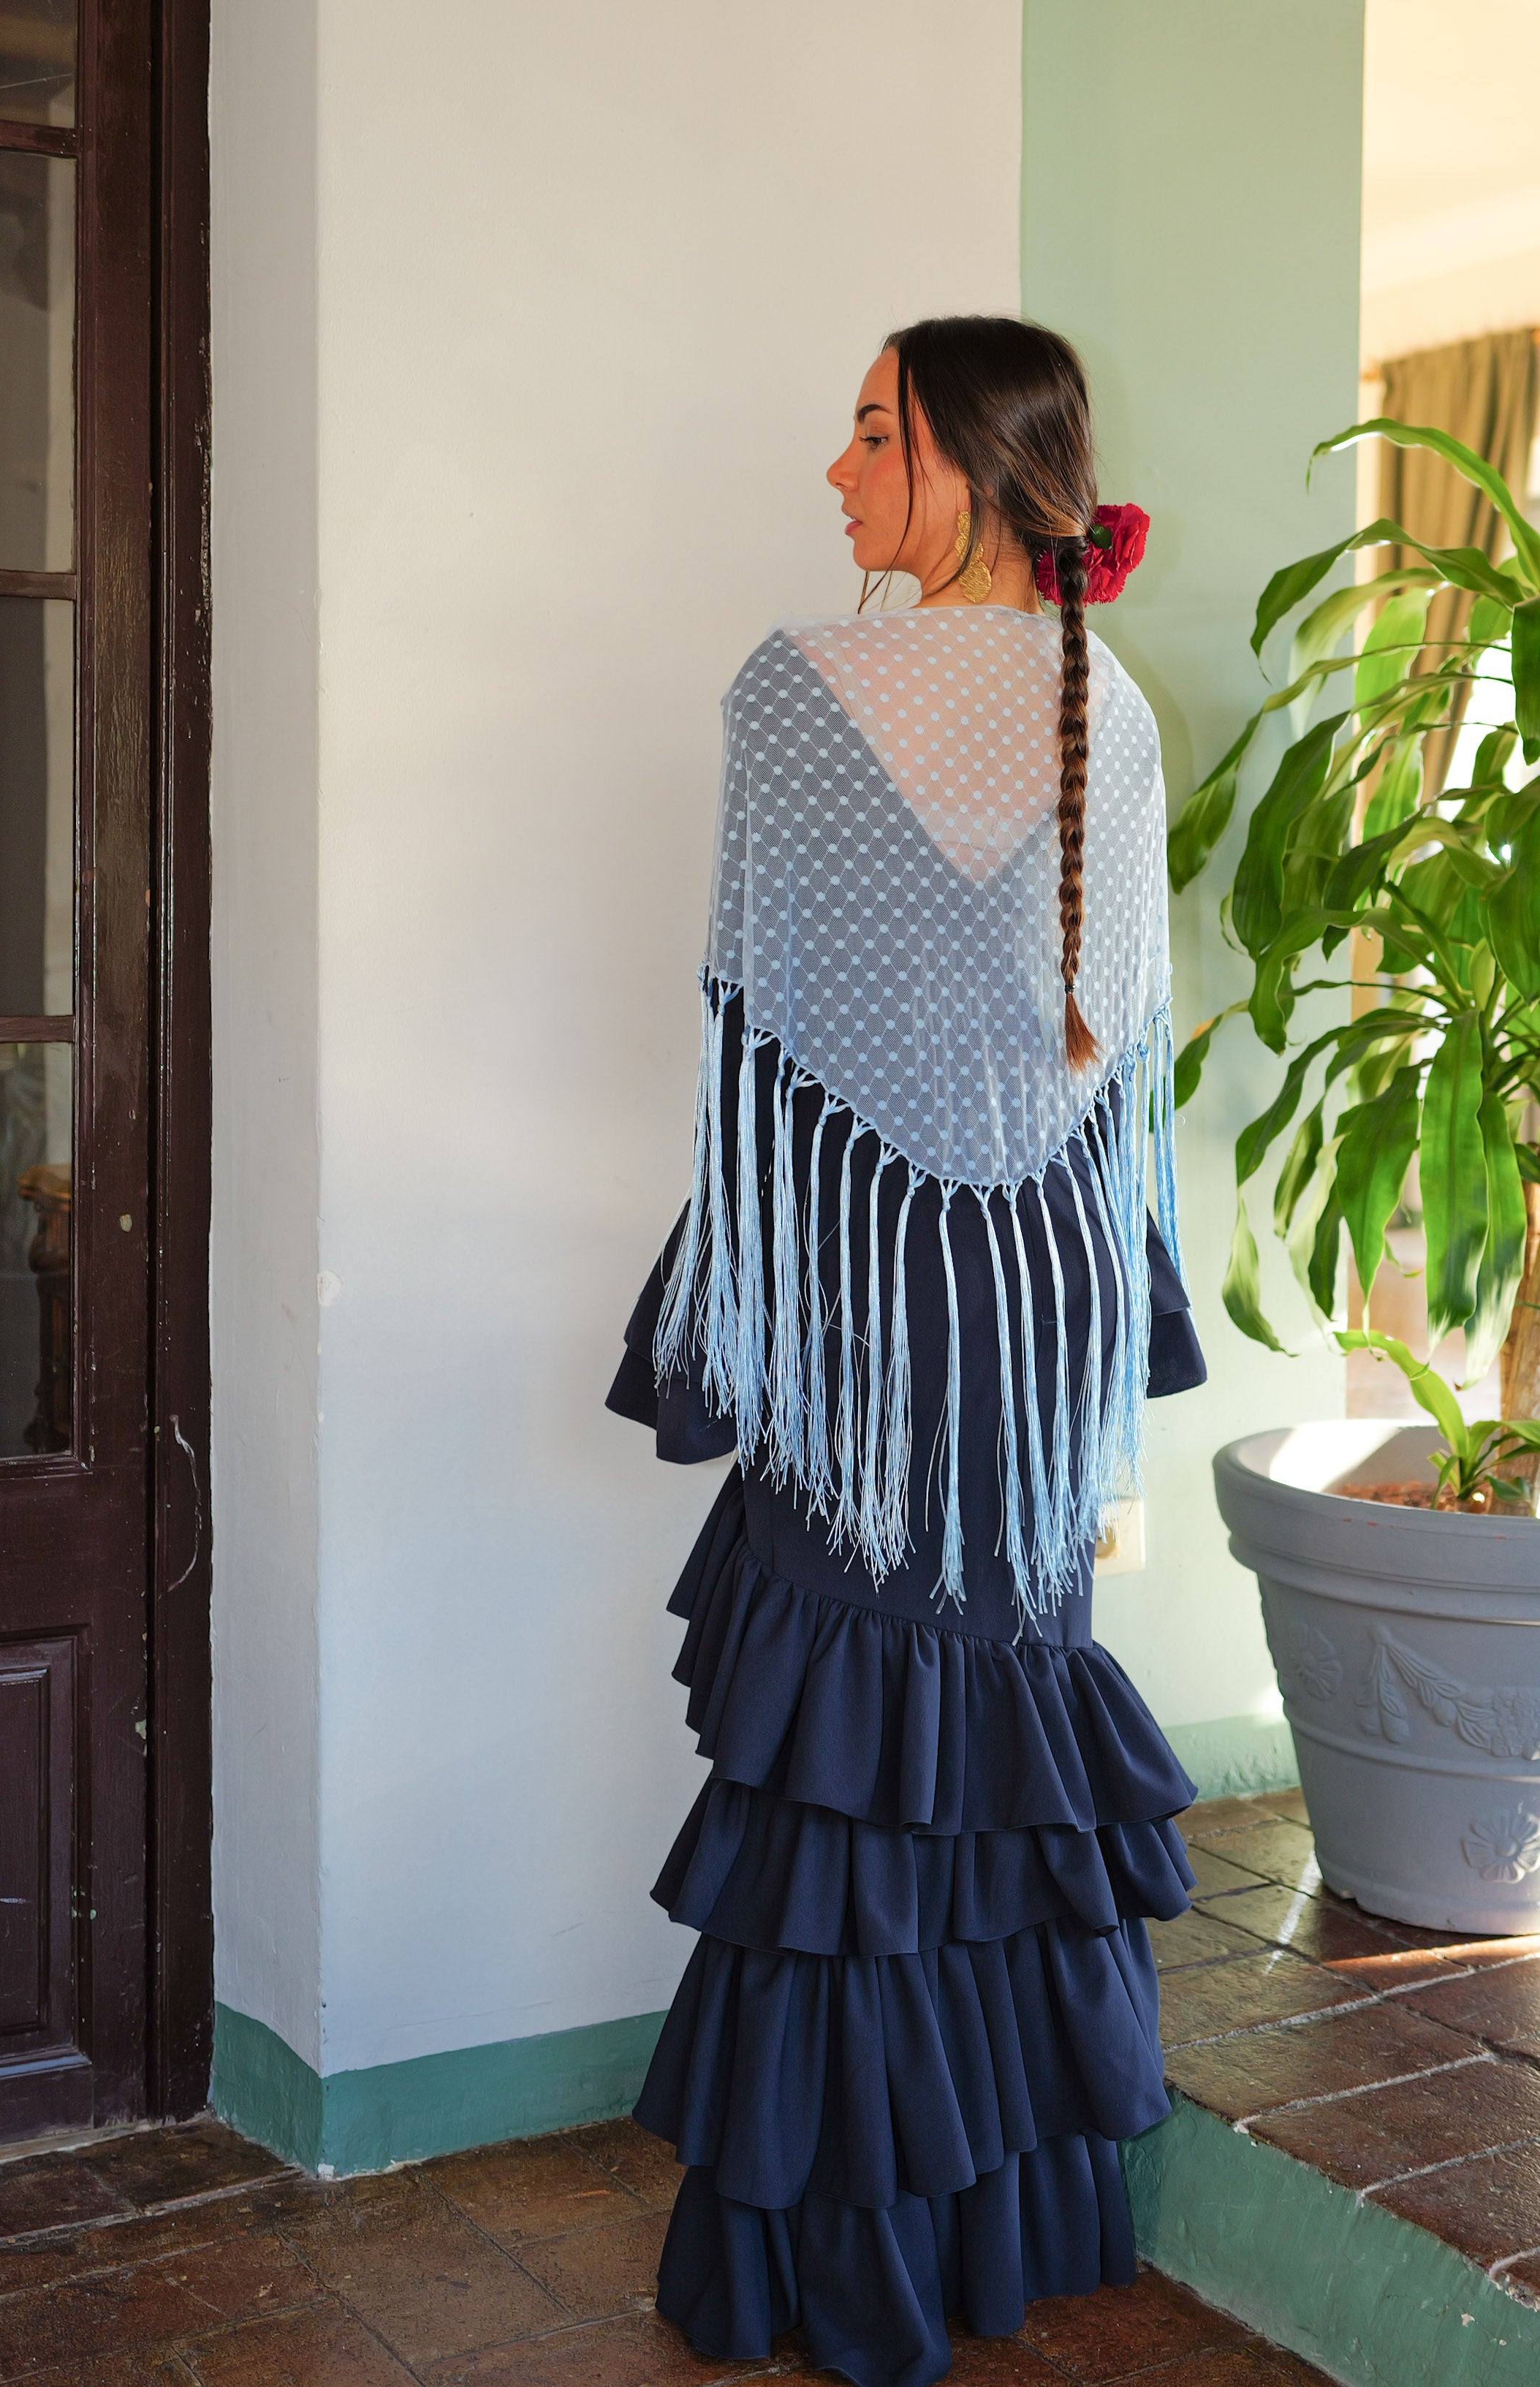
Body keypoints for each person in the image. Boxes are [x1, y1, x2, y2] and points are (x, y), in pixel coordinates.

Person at [607, 314, 1206, 2387]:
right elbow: (1105, 1055)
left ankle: (816, 2261)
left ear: (962, 462)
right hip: (1033, 1297)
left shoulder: (795, 693)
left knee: (844, 1766)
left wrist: (861, 1180)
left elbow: (755, 1038)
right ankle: (997, 2235)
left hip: (856, 1296)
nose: (839, 469)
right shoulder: (1104, 704)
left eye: (873, 431)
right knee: (990, 1747)